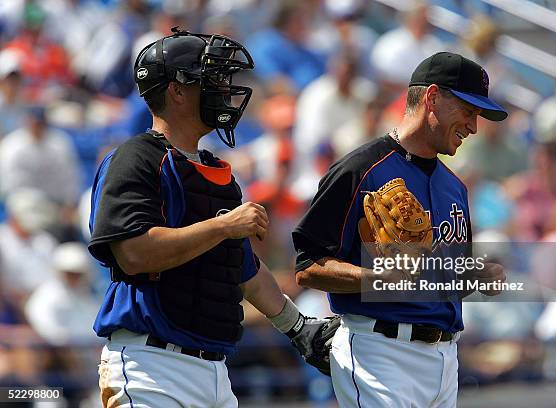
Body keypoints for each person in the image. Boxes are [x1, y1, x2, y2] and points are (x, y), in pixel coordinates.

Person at [88, 28, 334, 408]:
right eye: (211, 78)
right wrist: (224, 226)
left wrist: (297, 326)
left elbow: (241, 267)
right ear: (177, 90)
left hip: (215, 373)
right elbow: (134, 253)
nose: (223, 88)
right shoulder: (136, 158)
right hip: (151, 368)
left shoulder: (216, 171)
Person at [293, 52, 508, 407]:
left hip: (445, 358)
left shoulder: (455, 187)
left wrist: (476, 276)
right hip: (380, 353)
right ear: (433, 97)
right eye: (469, 111)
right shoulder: (359, 170)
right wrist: (376, 277)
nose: (473, 126)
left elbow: (439, 281)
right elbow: (307, 268)